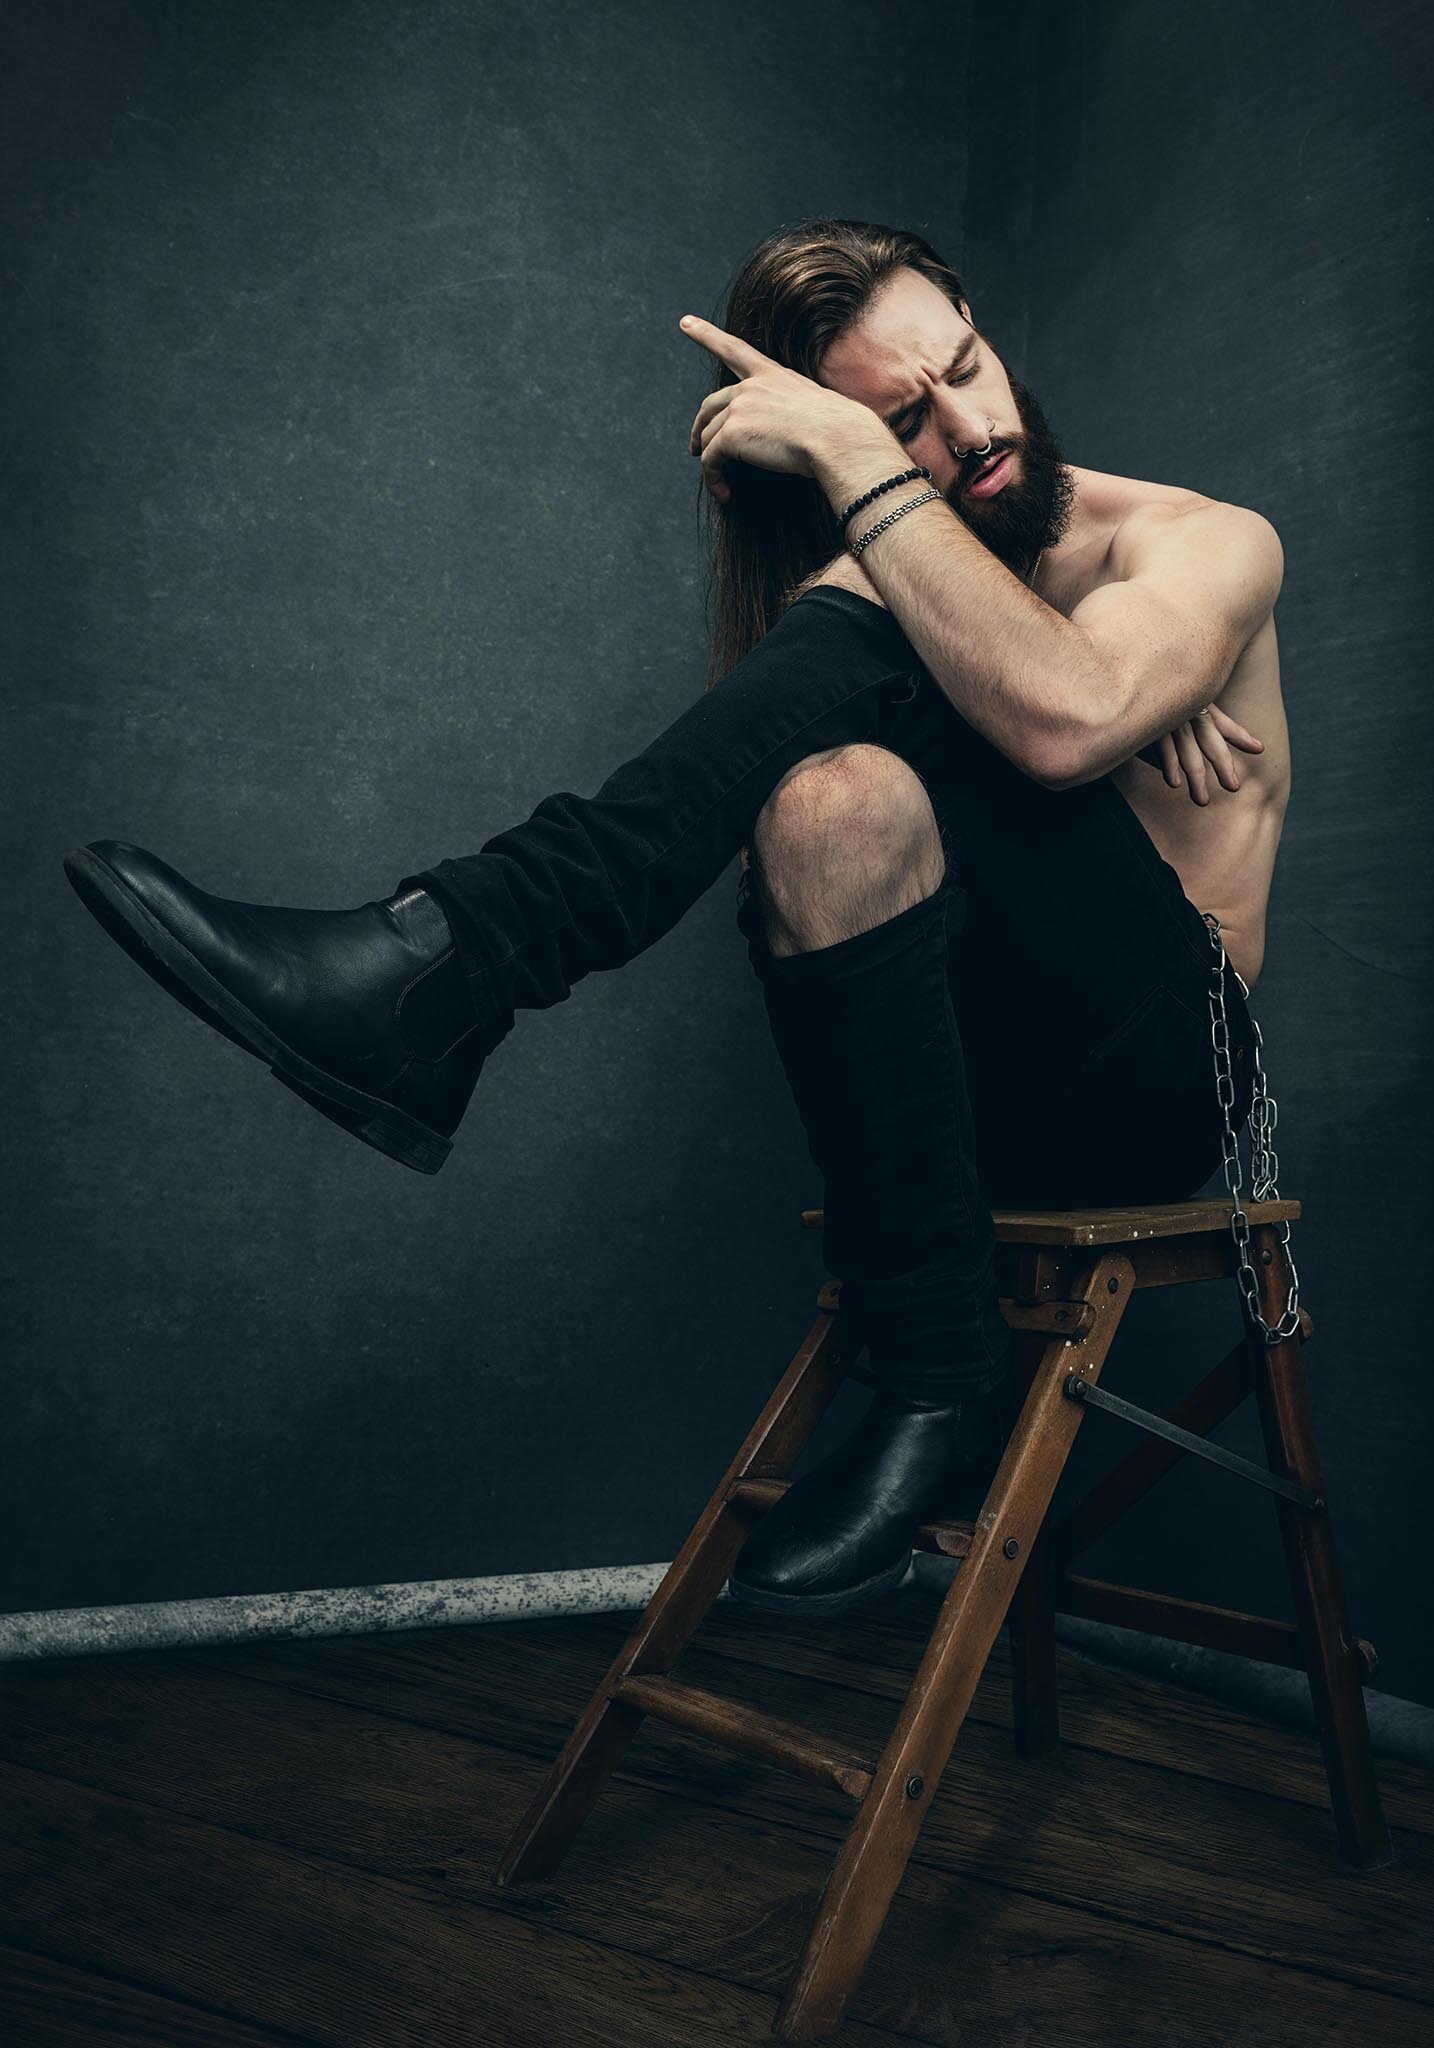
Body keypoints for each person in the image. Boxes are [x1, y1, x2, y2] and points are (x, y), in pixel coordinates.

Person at [62, 218, 1290, 1619]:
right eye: (899, 418)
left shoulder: (1194, 544)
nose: (967, 425)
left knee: (874, 594)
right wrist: (918, 560)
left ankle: (448, 961)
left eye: (963, 367)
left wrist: (862, 479)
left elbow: (1068, 719)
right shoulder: (905, 582)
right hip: (958, 1088)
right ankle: (938, 1380)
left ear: (978, 319)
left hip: (1154, 1088)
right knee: (829, 799)